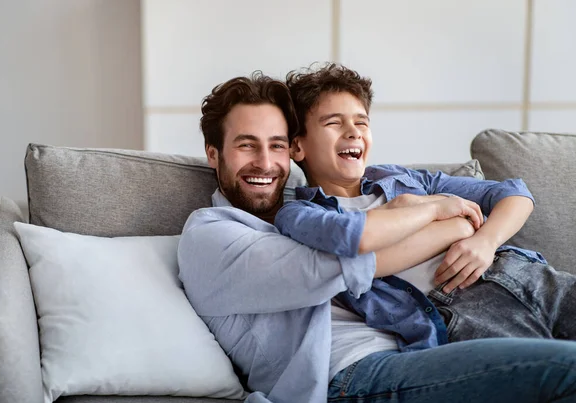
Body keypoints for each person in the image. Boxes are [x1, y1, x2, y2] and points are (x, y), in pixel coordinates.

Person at [177, 71, 576, 403]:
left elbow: (511, 194)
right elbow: (348, 259)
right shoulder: (212, 233)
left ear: (291, 150)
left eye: (276, 146)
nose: (264, 163)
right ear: (214, 154)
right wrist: (447, 219)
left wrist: (479, 234)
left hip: (423, 347)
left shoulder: (304, 204)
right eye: (247, 146)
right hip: (353, 374)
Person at [275, 63, 576, 348]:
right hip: (460, 309)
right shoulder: (300, 214)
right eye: (334, 123)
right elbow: (357, 243)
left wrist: (486, 240)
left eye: (361, 122)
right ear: (297, 146)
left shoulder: (403, 178)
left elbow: (515, 194)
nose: (353, 132)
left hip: (521, 273)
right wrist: (437, 213)